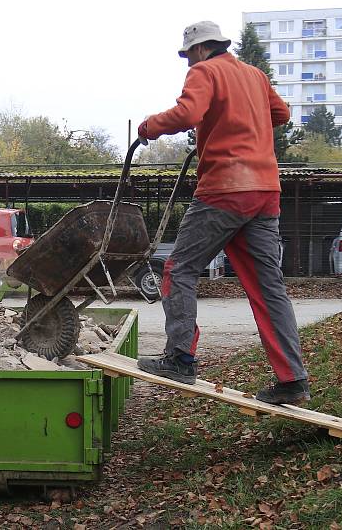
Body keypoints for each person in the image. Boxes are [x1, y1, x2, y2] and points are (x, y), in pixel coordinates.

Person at [135, 21, 310, 405]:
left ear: (198, 50)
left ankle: (179, 358)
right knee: (269, 289)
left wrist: (149, 127)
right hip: (265, 192)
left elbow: (186, 112)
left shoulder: (205, 71)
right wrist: (232, 125)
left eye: (186, 56)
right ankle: (292, 379)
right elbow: (279, 114)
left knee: (177, 269)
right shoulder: (255, 75)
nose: (187, 64)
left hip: (225, 189)